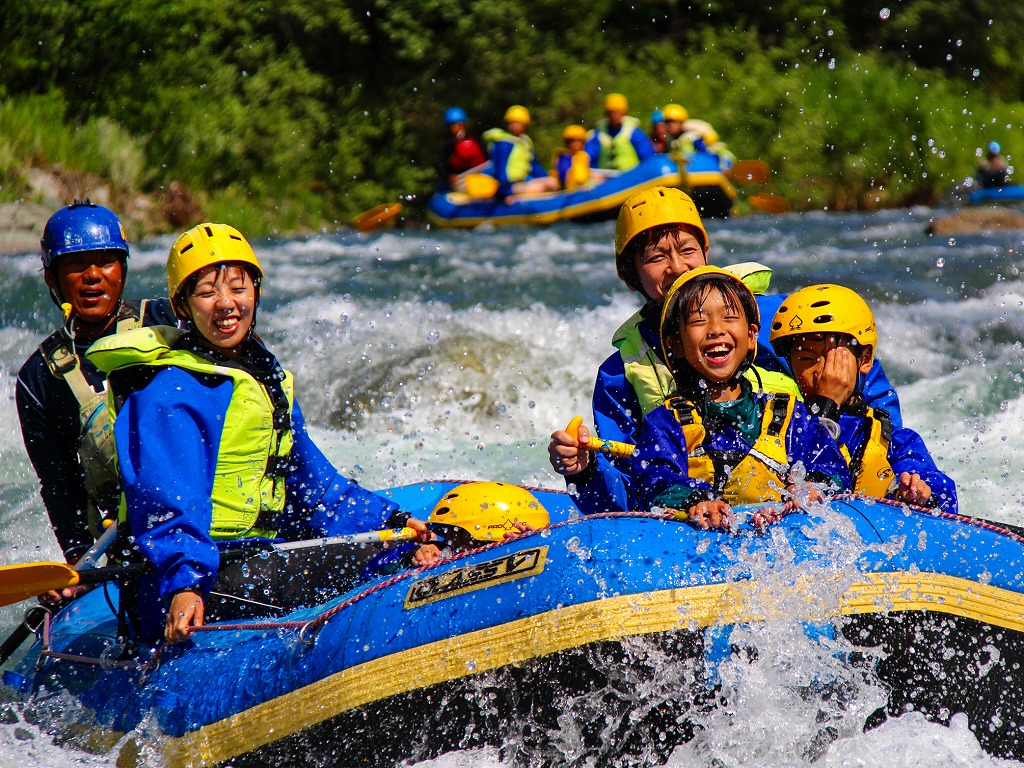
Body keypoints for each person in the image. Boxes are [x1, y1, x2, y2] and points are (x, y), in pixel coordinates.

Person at [86, 222, 430, 645]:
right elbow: (166, 504)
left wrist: (392, 524)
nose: (226, 304)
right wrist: (185, 583)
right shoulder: (168, 394)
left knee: (393, 549)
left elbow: (315, 488)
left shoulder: (265, 379)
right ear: (183, 306)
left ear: (256, 293)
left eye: (238, 288)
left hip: (252, 556)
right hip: (186, 579)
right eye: (207, 292)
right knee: (369, 561)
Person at [547, 186, 905, 516]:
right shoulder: (622, 374)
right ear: (629, 275)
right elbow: (627, 495)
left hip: (809, 472)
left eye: (688, 250)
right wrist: (586, 470)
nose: (677, 267)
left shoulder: (774, 318)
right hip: (696, 504)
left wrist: (830, 416)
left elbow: (874, 421)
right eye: (657, 256)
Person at [16, 200, 179, 570]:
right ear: (51, 278)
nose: (93, 275)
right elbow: (59, 483)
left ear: (122, 270)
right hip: (130, 550)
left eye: (105, 261)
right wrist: (78, 560)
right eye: (76, 264)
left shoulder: (167, 321)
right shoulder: (39, 378)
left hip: (210, 518)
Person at [631, 267, 850, 530]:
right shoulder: (665, 422)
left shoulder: (788, 414)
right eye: (699, 321)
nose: (715, 330)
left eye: (729, 318)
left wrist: (810, 488)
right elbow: (652, 478)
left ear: (751, 336)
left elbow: (829, 467)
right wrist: (697, 498)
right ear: (676, 344)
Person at [769, 284, 957, 512]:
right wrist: (825, 408)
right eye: (807, 359)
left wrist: (923, 494)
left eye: (833, 358)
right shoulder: (778, 425)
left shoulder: (895, 441)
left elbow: (945, 501)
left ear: (865, 359)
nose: (823, 371)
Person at [362, 482, 549, 577]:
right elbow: (370, 571)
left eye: (456, 535)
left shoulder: (549, 547)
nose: (450, 541)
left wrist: (536, 543)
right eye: (447, 535)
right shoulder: (441, 551)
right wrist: (409, 554)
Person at [482, 105, 559, 197]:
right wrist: (505, 192)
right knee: (538, 188)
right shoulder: (503, 143)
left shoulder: (525, 142)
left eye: (520, 123)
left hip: (523, 180)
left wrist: (547, 177)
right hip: (508, 185)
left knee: (553, 182)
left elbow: (534, 166)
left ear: (525, 125)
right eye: (513, 123)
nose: (516, 126)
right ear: (508, 123)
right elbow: (500, 169)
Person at [583, 93, 655, 174]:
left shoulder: (634, 132)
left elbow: (648, 157)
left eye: (618, 112)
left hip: (630, 178)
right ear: (607, 114)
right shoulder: (598, 134)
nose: (615, 116)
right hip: (605, 178)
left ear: (624, 113)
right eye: (611, 112)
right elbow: (588, 157)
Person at [438, 106, 488, 190]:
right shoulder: (449, 144)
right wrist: (449, 176)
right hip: (460, 179)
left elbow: (487, 157)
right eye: (451, 126)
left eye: (458, 125)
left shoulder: (475, 139)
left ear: (463, 124)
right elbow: (442, 165)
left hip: (480, 176)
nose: (455, 128)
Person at [551, 125, 595, 191]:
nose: (575, 144)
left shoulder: (584, 156)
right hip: (570, 189)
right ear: (567, 143)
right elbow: (564, 175)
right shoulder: (564, 158)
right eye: (572, 141)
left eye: (578, 141)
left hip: (585, 187)